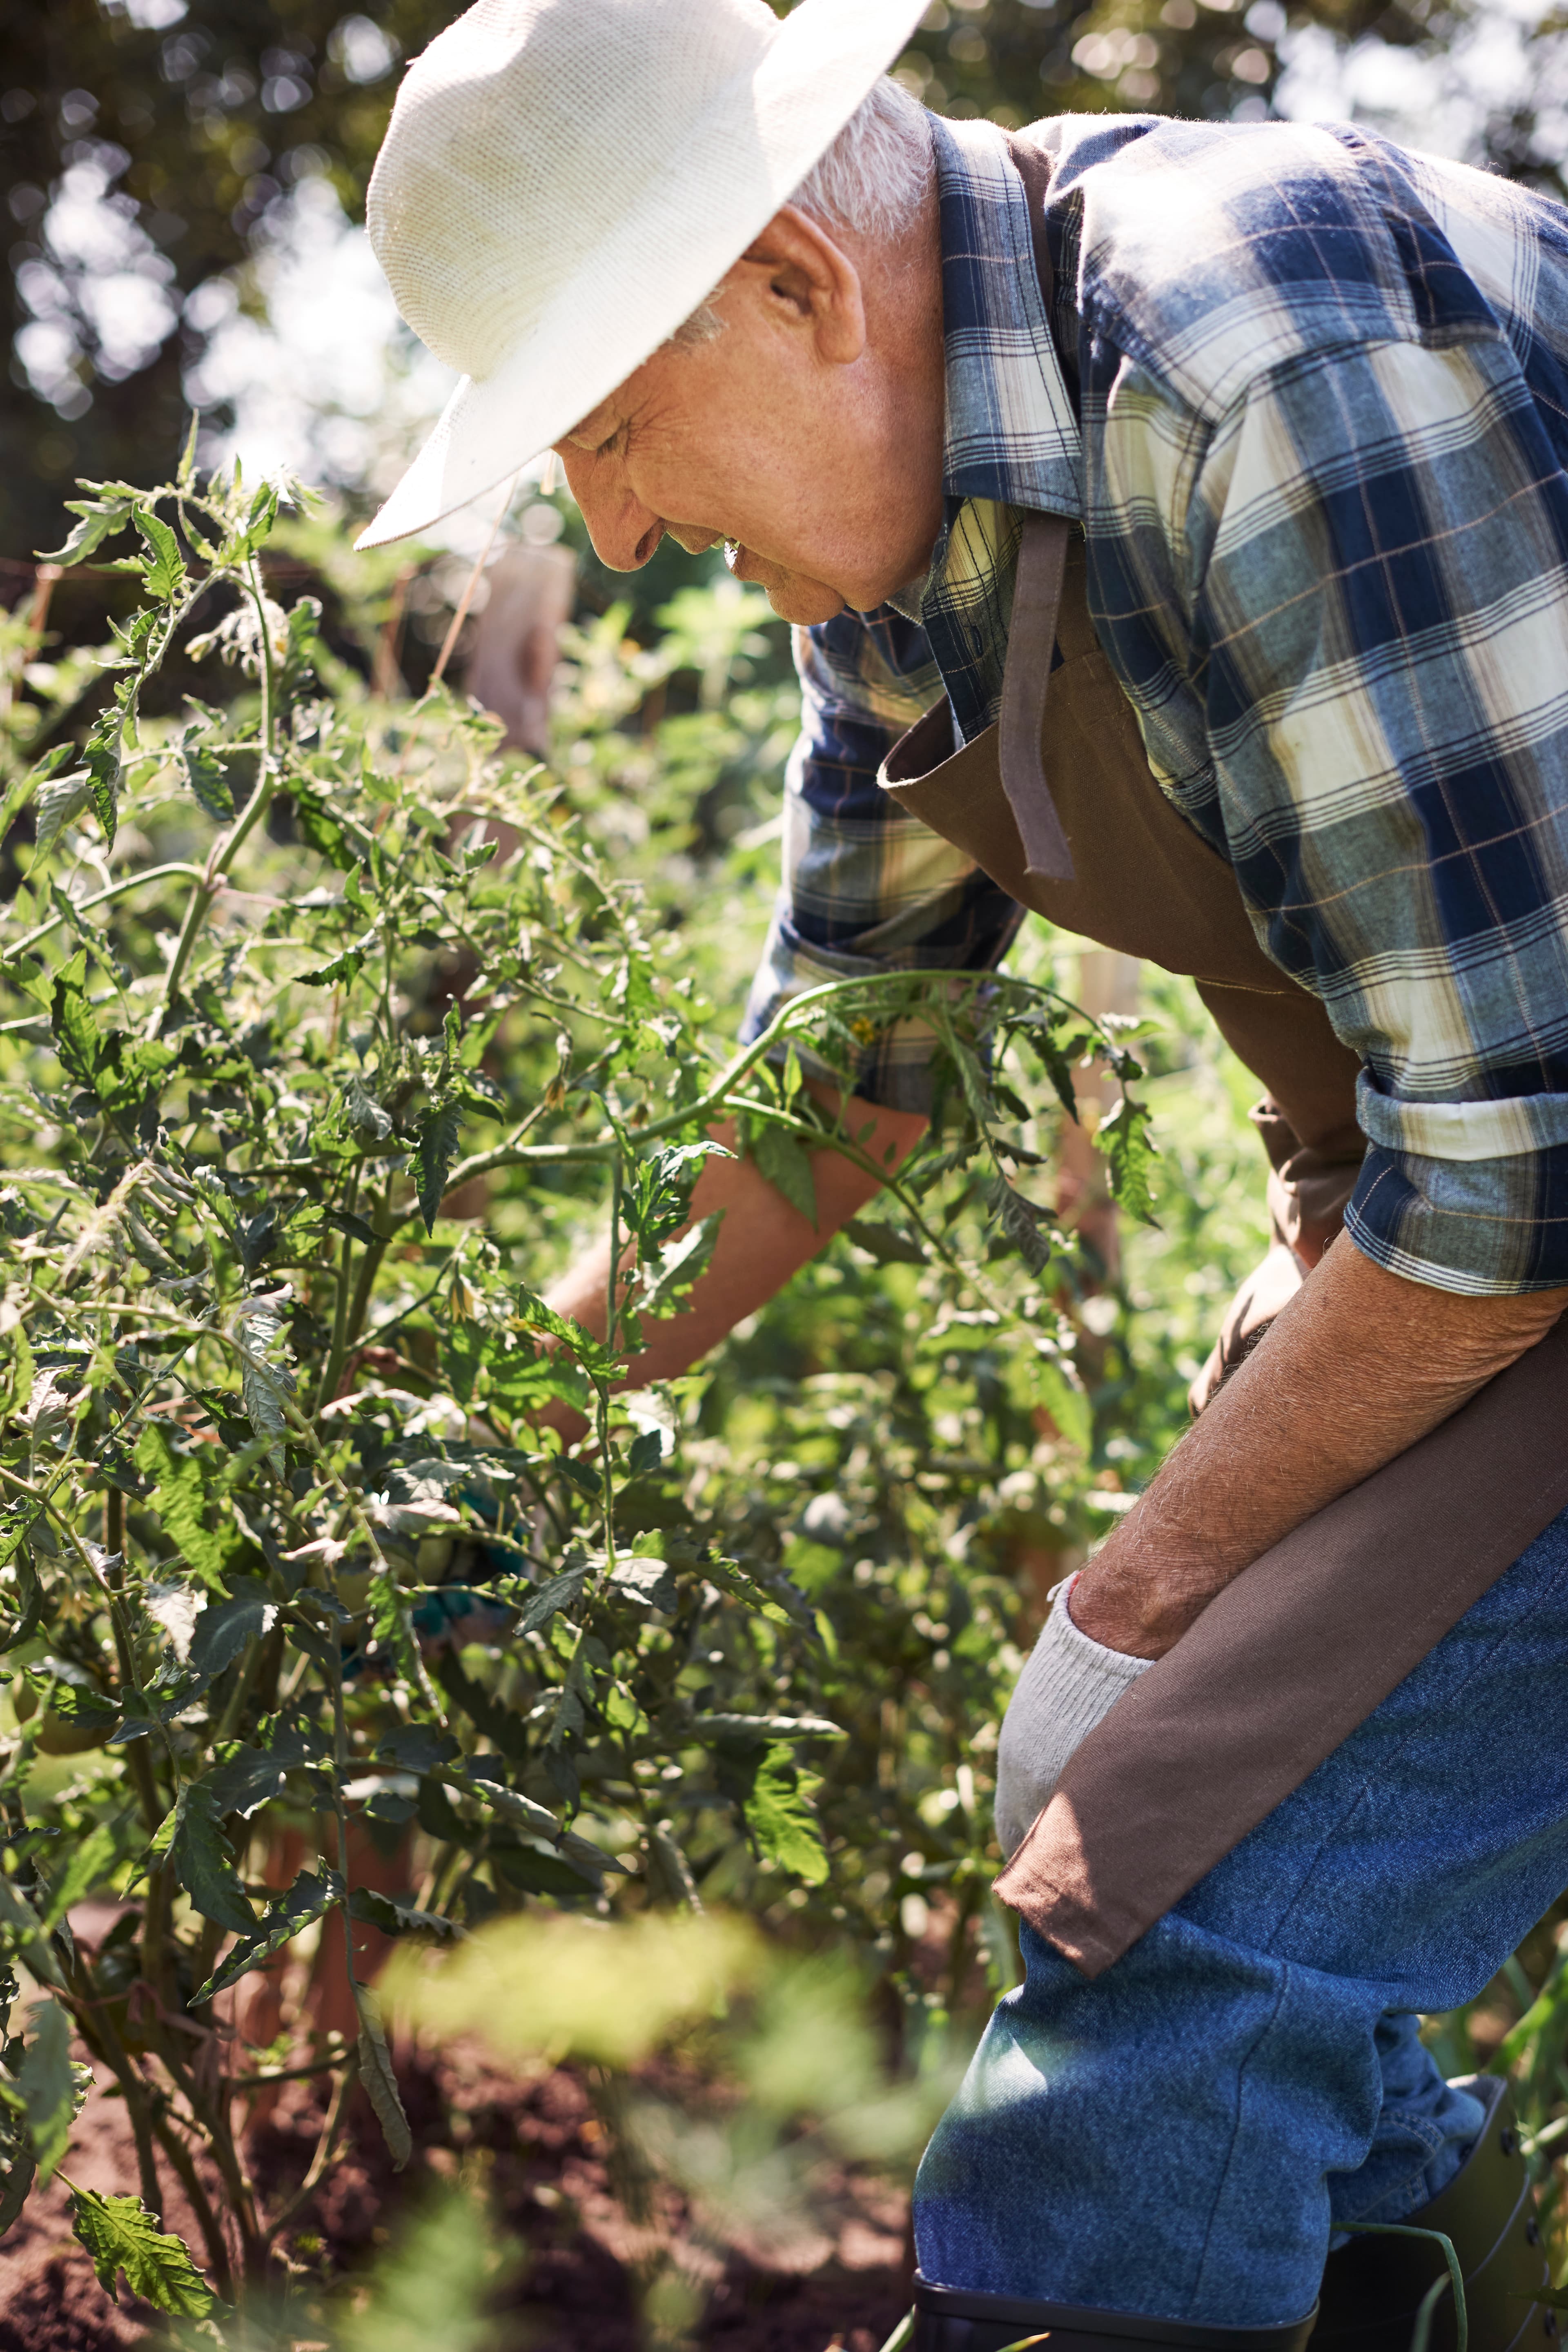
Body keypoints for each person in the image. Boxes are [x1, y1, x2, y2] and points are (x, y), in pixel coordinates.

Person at [356, 0, 1568, 2341]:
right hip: (1474, 1216)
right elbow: (853, 1066)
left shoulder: (1257, 364)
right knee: (1181, 1899)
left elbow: (1525, 1174)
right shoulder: (913, 531)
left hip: (1521, 1203)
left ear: (802, 286)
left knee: (1172, 1938)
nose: (610, 536)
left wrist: (1135, 1591)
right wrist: (486, 1440)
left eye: (611, 429)